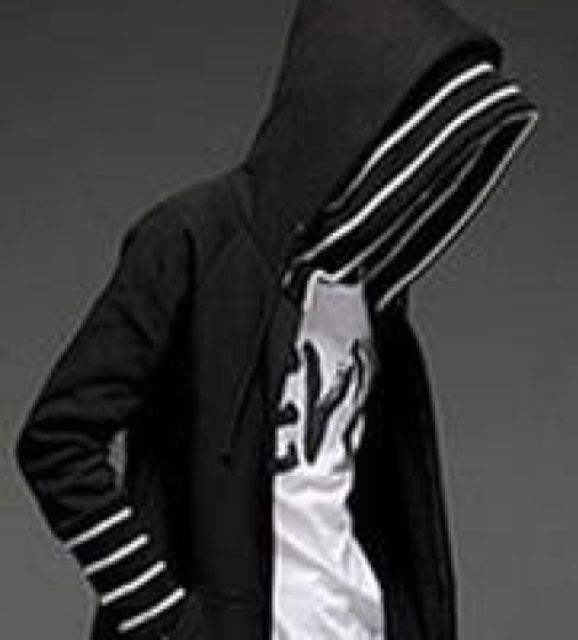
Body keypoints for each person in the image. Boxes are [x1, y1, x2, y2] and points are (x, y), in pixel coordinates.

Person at [14, 0, 539, 638]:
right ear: (353, 115)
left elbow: (377, 505)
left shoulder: (374, 297)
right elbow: (57, 440)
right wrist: (168, 619)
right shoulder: (191, 241)